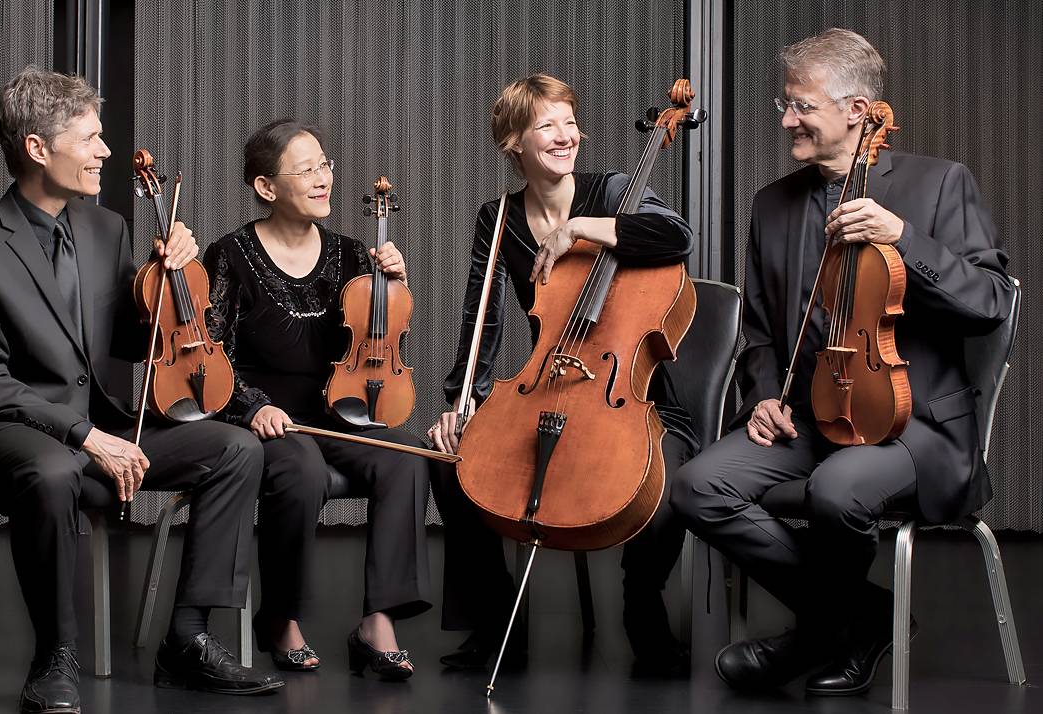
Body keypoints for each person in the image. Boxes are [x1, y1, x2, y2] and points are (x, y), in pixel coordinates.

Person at [0, 67, 283, 714]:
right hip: (18, 437)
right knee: (56, 469)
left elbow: (125, 342)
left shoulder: (106, 229)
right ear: (38, 148)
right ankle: (54, 654)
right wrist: (84, 435)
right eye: (90, 138)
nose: (106, 153)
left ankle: (189, 639)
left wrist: (168, 283)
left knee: (235, 450)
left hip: (101, 428)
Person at [670, 29, 1014, 696]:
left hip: (921, 429)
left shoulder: (939, 185)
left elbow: (992, 302)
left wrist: (904, 239)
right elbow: (765, 335)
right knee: (697, 486)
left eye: (801, 106)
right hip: (811, 416)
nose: (786, 119)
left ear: (858, 111)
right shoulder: (773, 205)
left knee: (840, 489)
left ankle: (818, 636)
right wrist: (764, 397)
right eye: (785, 104)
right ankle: (862, 618)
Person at [426, 74, 697, 674]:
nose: (564, 135)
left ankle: (641, 607)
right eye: (546, 124)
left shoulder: (614, 192)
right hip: (546, 385)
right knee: (452, 463)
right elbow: (483, 318)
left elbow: (676, 237)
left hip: (635, 393)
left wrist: (579, 228)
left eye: (569, 121)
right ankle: (498, 628)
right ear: (513, 141)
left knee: (664, 478)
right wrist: (463, 401)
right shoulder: (497, 218)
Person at [203, 120, 431, 680]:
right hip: (267, 422)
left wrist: (393, 290)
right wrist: (253, 407)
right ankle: (281, 619)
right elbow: (209, 354)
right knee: (301, 470)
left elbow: (377, 348)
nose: (323, 177)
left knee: (405, 459)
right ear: (266, 187)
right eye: (306, 169)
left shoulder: (355, 254)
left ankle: (377, 622)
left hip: (338, 414)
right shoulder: (230, 256)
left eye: (324, 164)